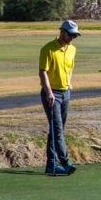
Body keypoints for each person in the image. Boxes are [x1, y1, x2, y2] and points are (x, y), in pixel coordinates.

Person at [39, 20, 81, 176]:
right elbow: (43, 72)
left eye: (75, 36)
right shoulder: (48, 49)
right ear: (62, 32)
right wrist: (49, 92)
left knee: (58, 129)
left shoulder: (72, 50)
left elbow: (70, 68)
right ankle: (66, 163)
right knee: (57, 130)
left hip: (65, 93)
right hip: (52, 94)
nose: (72, 38)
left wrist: (69, 82)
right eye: (70, 35)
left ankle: (51, 165)